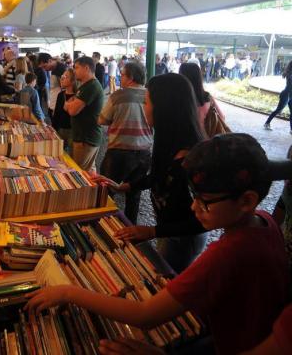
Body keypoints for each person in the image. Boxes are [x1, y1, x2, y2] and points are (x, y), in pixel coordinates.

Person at [25, 133, 290, 355]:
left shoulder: (228, 253)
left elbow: (145, 314)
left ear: (246, 201)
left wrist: (68, 292)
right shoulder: (265, 221)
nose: (193, 206)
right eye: (193, 196)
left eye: (205, 202)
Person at [98, 73, 207, 273]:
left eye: (147, 102)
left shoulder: (192, 159)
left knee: (165, 279)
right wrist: (127, 186)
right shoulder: (169, 141)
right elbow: (159, 175)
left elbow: (201, 222)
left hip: (182, 238)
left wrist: (152, 231)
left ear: (165, 108)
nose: (144, 107)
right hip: (167, 231)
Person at [98, 62, 152, 224]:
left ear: (131, 78)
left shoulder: (118, 96)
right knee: (134, 194)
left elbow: (103, 119)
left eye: (123, 75)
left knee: (106, 191)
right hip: (143, 152)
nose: (120, 77)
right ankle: (130, 228)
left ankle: (103, 225)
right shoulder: (151, 96)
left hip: (118, 152)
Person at [64, 56, 104, 173]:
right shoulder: (86, 86)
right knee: (88, 171)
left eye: (76, 68)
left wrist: (69, 105)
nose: (74, 71)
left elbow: (72, 109)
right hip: (84, 137)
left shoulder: (91, 86)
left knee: (81, 174)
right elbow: (70, 103)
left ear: (86, 68)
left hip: (86, 138)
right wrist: (70, 104)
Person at [179, 63, 225, 137]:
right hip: (204, 140)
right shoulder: (208, 97)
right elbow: (222, 116)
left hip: (184, 141)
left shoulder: (178, 99)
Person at [52, 68, 77, 154]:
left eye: (65, 76)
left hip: (72, 131)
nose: (62, 78)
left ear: (73, 81)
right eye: (62, 76)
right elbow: (56, 114)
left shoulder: (78, 97)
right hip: (60, 129)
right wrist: (53, 129)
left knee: (72, 156)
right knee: (59, 153)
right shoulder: (60, 95)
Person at [264, 60, 292, 133]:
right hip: (287, 94)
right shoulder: (290, 74)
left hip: (288, 94)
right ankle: (267, 123)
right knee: (278, 110)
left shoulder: (289, 73)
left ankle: (291, 129)